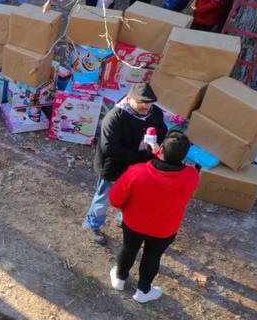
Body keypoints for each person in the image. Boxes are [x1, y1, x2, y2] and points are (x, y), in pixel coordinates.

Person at [107, 130, 200, 303]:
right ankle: (143, 291)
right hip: (165, 229)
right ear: (185, 155)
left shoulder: (137, 172)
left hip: (134, 224)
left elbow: (115, 199)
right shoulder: (192, 176)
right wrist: (162, 152)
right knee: (153, 256)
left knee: (129, 249)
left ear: (162, 148)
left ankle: (119, 279)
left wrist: (124, 208)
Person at [84, 83, 167, 246]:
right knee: (104, 198)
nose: (145, 106)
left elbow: (162, 131)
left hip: (140, 168)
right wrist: (141, 156)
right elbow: (109, 149)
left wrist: (158, 148)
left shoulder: (155, 113)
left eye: (148, 102)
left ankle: (123, 220)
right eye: (141, 102)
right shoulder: (115, 117)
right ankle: (92, 225)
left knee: (130, 198)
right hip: (114, 168)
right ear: (129, 99)